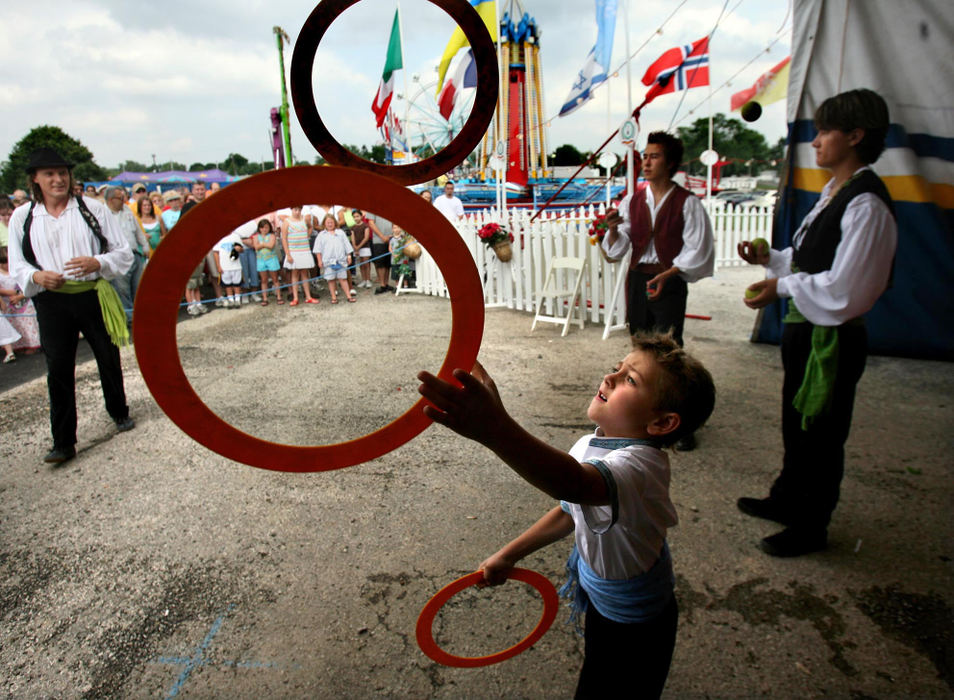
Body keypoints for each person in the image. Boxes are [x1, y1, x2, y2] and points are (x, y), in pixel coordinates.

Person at [417, 333, 715, 698]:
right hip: (603, 602)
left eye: (630, 380)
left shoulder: (641, 468)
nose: (610, 379)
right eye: (616, 369)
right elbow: (571, 510)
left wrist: (495, 428)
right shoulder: (593, 443)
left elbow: (573, 485)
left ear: (663, 423)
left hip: (638, 624)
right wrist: (509, 554)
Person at [736, 89, 898, 558]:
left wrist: (781, 288)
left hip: (834, 336)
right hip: (807, 330)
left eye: (826, 130)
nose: (816, 141)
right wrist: (771, 259)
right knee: (797, 420)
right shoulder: (834, 194)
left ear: (855, 136)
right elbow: (807, 263)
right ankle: (788, 498)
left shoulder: (865, 204)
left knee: (823, 432)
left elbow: (847, 288)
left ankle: (812, 523)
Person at [8, 147, 135, 464]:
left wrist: (98, 261)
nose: (58, 179)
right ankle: (63, 441)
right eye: (49, 174)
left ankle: (119, 411)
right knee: (58, 368)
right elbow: (17, 264)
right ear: (36, 179)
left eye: (62, 173)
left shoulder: (92, 209)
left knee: (107, 355)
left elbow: (123, 252)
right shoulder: (22, 217)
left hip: (91, 293)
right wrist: (37, 275)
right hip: (51, 300)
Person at [602, 131, 715, 451]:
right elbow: (620, 246)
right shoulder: (633, 200)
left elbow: (698, 247)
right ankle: (638, 413)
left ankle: (680, 420)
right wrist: (612, 228)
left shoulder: (688, 203)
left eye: (654, 157)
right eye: (645, 156)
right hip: (638, 277)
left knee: (670, 348)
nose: (646, 162)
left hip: (670, 277)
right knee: (639, 343)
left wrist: (672, 272)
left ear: (671, 163)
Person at [104, 186, 150, 326]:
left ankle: (139, 315)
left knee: (138, 287)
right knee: (122, 289)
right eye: (121, 198)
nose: (124, 200)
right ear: (111, 200)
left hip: (134, 254)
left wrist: (145, 246)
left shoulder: (128, 211)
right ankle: (130, 318)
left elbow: (138, 231)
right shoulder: (103, 214)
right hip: (117, 258)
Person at [0, 247, 41, 353]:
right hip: (9, 303)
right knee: (17, 323)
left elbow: (28, 284)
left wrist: (19, 296)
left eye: (8, 261)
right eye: (3, 262)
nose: (6, 265)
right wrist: (10, 293)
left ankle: (33, 345)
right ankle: (19, 345)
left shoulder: (18, 271)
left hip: (24, 299)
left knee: (29, 323)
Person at [313, 213, 354, 304]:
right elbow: (317, 250)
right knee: (330, 279)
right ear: (324, 223)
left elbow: (347, 245)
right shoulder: (321, 235)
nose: (330, 224)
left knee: (343, 278)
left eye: (331, 222)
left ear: (335, 223)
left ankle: (348, 296)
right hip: (328, 261)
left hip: (341, 260)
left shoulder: (341, 233)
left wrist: (349, 256)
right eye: (328, 222)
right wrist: (319, 260)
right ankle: (333, 297)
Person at [281, 205, 318, 305]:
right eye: (295, 209)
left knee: (305, 273)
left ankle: (308, 296)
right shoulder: (287, 221)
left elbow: (310, 227)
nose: (297, 212)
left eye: (299, 209)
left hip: (304, 250)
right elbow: (284, 238)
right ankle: (295, 297)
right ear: (291, 210)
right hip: (293, 251)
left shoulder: (304, 219)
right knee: (295, 274)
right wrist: (288, 254)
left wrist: (307, 235)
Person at [212, 227, 246, 308]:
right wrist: (218, 266)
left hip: (236, 265)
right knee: (227, 284)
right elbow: (216, 253)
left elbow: (242, 250)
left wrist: (239, 249)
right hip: (224, 266)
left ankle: (237, 300)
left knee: (237, 283)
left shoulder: (236, 236)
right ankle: (230, 300)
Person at [252, 219, 282, 305]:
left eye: (266, 227)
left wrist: (261, 245)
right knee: (263, 280)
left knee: (275, 279)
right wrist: (265, 245)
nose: (264, 229)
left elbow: (271, 245)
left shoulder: (272, 235)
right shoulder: (256, 237)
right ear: (259, 228)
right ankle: (264, 298)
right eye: (262, 228)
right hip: (261, 260)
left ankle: (279, 296)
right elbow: (256, 247)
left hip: (271, 259)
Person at [350, 209, 373, 289]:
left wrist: (358, 246)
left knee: (366, 263)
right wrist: (355, 247)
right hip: (356, 248)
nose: (356, 218)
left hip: (365, 247)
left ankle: (368, 279)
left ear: (361, 216)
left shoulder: (365, 225)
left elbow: (366, 238)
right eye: (354, 217)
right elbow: (352, 238)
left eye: (357, 216)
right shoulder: (353, 227)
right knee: (361, 264)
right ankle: (363, 279)